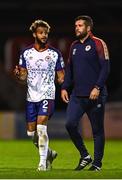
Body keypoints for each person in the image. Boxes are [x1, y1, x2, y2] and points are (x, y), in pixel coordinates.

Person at [14, 19, 65, 171]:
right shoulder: (26, 53)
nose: (44, 35)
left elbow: (61, 76)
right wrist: (18, 75)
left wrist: (63, 81)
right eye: (41, 33)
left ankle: (42, 164)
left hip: (47, 94)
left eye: (46, 33)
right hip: (31, 96)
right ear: (34, 34)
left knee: (41, 128)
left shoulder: (54, 53)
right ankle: (49, 153)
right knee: (31, 133)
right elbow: (23, 79)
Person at [61, 15, 110, 171]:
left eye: (80, 25)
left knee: (97, 130)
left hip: (96, 95)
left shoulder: (98, 43)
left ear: (88, 28)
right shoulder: (74, 46)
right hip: (77, 95)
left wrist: (97, 87)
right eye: (76, 25)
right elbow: (69, 69)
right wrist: (64, 87)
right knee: (69, 124)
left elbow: (105, 68)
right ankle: (85, 155)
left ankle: (97, 163)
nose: (77, 27)